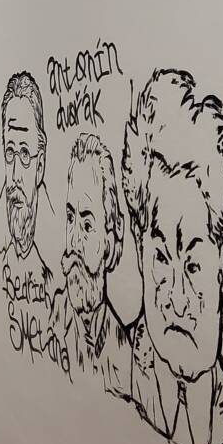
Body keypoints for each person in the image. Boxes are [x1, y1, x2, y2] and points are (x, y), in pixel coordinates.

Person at [121, 69, 223, 444]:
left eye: (193, 265)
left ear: (222, 267)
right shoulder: (114, 373)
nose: (177, 298)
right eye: (160, 258)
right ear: (139, 253)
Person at [52, 132, 132, 396]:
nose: (74, 241)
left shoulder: (125, 355)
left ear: (110, 239)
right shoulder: (52, 320)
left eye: (87, 225)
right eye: (70, 218)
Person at [0, 72, 52, 314]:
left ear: (40, 165)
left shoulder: (54, 274)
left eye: (24, 154)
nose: (15, 175)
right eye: (10, 153)